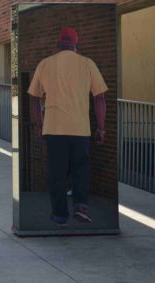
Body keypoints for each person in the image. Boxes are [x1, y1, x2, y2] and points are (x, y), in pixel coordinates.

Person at [27, 27, 107, 227]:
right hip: (80, 129)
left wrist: (40, 124)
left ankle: (60, 215)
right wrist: (101, 128)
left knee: (57, 172)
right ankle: (80, 206)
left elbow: (34, 97)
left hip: (53, 128)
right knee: (81, 168)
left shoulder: (45, 63)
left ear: (58, 44)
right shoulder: (87, 64)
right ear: (75, 45)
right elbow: (100, 98)